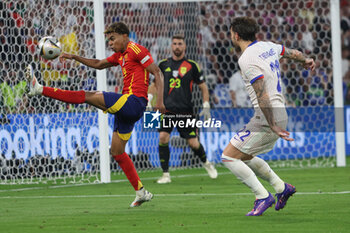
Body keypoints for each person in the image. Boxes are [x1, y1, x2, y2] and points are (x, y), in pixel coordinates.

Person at [25, 22, 165, 207]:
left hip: (134, 102)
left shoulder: (137, 50)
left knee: (88, 96)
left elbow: (157, 72)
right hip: (127, 108)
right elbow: (99, 64)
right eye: (109, 40)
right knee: (117, 151)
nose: (110, 43)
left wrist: (160, 102)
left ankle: (40, 89)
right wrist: (74, 56)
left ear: (124, 35)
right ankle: (141, 192)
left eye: (113, 39)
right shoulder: (120, 55)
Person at [222, 17, 315, 216]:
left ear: (236, 35)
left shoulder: (246, 59)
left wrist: (271, 124)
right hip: (279, 111)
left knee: (228, 157)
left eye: (231, 33)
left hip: (268, 115)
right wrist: (305, 60)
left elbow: (261, 94)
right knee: (244, 156)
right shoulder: (268, 46)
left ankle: (262, 196)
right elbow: (292, 53)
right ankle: (282, 188)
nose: (231, 36)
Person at [148, 34, 218, 184]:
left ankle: (206, 163)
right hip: (166, 111)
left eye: (180, 43)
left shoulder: (192, 65)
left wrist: (206, 105)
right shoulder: (163, 64)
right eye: (175, 44)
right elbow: (155, 84)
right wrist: (148, 97)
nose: (177, 46)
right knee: (162, 137)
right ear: (171, 46)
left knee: (193, 143)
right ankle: (165, 174)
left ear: (185, 46)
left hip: (186, 111)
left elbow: (203, 87)